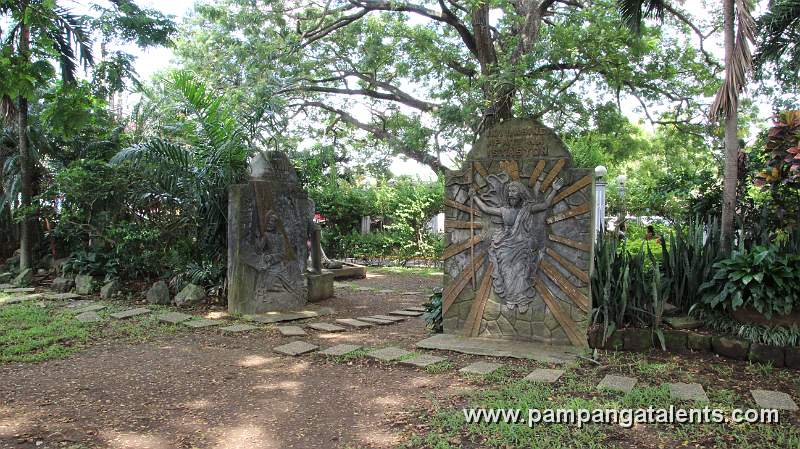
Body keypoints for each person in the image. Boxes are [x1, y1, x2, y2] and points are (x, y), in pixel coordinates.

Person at [469, 174, 564, 314]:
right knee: (507, 272)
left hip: (522, 246)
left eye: (514, 191)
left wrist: (554, 189)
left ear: (521, 194)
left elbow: (545, 205)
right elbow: (486, 209)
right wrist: (474, 197)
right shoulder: (504, 210)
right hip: (505, 246)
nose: (511, 194)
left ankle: (522, 299)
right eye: (509, 192)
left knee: (521, 273)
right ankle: (511, 298)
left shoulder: (527, 209)